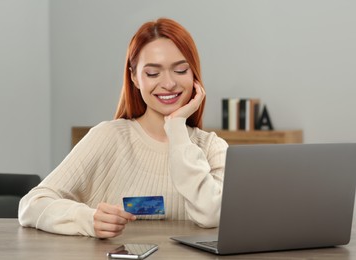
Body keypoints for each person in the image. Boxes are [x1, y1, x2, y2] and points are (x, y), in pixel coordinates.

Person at [18, 17, 228, 239]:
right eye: (153, 73)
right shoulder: (108, 137)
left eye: (181, 70)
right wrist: (87, 219)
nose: (168, 83)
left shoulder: (213, 148)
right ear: (134, 78)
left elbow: (212, 215)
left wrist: (176, 127)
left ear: (194, 74)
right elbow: (32, 205)